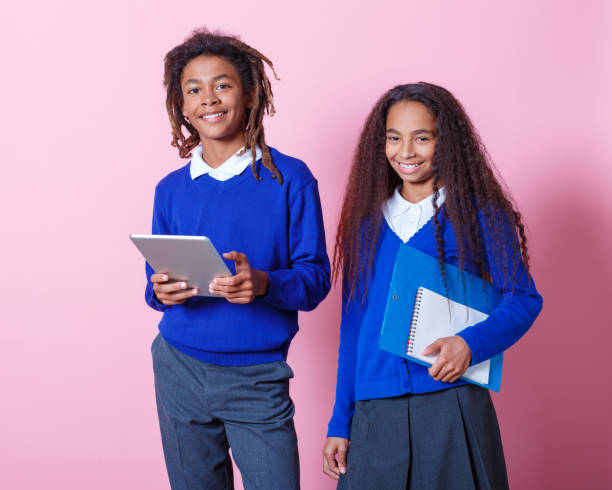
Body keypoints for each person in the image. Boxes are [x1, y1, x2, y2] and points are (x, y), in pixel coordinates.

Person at [322, 82, 543, 489]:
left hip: (450, 401)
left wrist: (471, 344)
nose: (405, 152)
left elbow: (523, 299)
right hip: (375, 409)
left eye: (422, 138)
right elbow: (353, 327)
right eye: (394, 138)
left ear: (448, 143)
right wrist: (341, 420)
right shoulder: (365, 225)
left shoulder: (481, 215)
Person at [144, 28, 330, 490]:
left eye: (222, 84)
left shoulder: (291, 178)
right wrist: (159, 290)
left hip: (256, 375)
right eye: (194, 89)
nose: (209, 98)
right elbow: (155, 281)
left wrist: (265, 283)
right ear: (182, 107)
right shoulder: (170, 189)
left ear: (250, 95)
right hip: (178, 368)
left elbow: (317, 277)